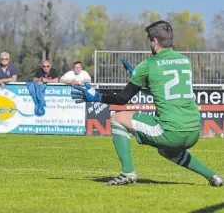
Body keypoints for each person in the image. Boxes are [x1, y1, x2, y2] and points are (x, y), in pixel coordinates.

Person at [71, 20, 223, 187]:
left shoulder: (148, 65)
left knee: (117, 118)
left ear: (154, 41)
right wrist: (144, 82)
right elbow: (166, 91)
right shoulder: (184, 61)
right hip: (194, 130)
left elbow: (122, 99)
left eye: (150, 40)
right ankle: (213, 176)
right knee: (167, 151)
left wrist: (96, 96)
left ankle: (127, 173)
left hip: (171, 132)